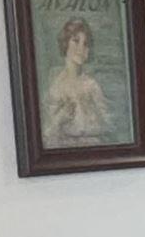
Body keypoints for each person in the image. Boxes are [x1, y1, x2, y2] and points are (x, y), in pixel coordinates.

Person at [42, 15, 113, 144]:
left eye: (86, 44)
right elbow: (48, 133)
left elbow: (108, 126)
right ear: (65, 43)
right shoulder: (57, 87)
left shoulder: (91, 85)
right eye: (76, 41)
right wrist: (61, 117)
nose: (82, 48)